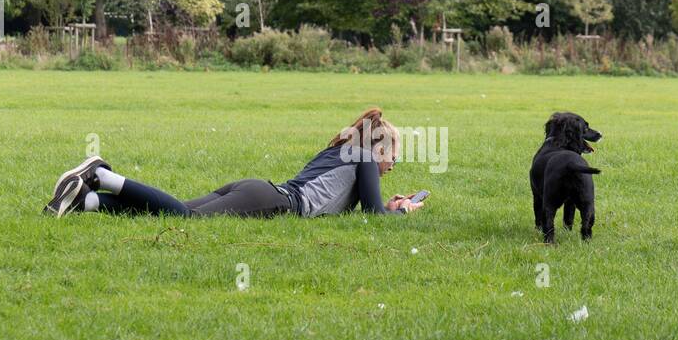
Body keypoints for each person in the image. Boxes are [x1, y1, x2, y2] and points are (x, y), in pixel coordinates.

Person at [44, 107, 426, 219]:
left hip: (257, 188)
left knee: (167, 212)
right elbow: (375, 214)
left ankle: (86, 201)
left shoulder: (343, 151)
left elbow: (365, 205)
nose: (394, 164)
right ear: (378, 149)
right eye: (393, 154)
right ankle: (102, 175)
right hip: (274, 201)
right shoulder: (361, 157)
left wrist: (389, 203)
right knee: (185, 219)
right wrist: (404, 210)